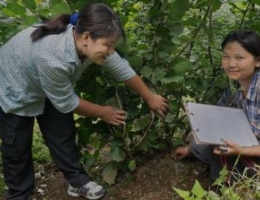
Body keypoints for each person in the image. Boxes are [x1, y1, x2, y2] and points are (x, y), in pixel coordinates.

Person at [0, 3, 169, 200]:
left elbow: (121, 68)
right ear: (87, 37)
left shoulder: (92, 43)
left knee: (62, 131)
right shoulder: (52, 56)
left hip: (46, 83)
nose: (110, 50)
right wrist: (102, 112)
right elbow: (67, 102)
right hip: (13, 87)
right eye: (108, 45)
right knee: (17, 146)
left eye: (113, 45)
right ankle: (19, 195)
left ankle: (77, 181)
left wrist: (150, 96)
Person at [174, 30, 260, 184]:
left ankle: (233, 185)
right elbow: (218, 113)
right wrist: (196, 116)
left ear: (257, 61)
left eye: (239, 58)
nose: (231, 64)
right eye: (226, 56)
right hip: (249, 143)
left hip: (252, 150)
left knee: (222, 154)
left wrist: (241, 151)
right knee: (197, 146)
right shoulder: (236, 85)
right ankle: (231, 176)